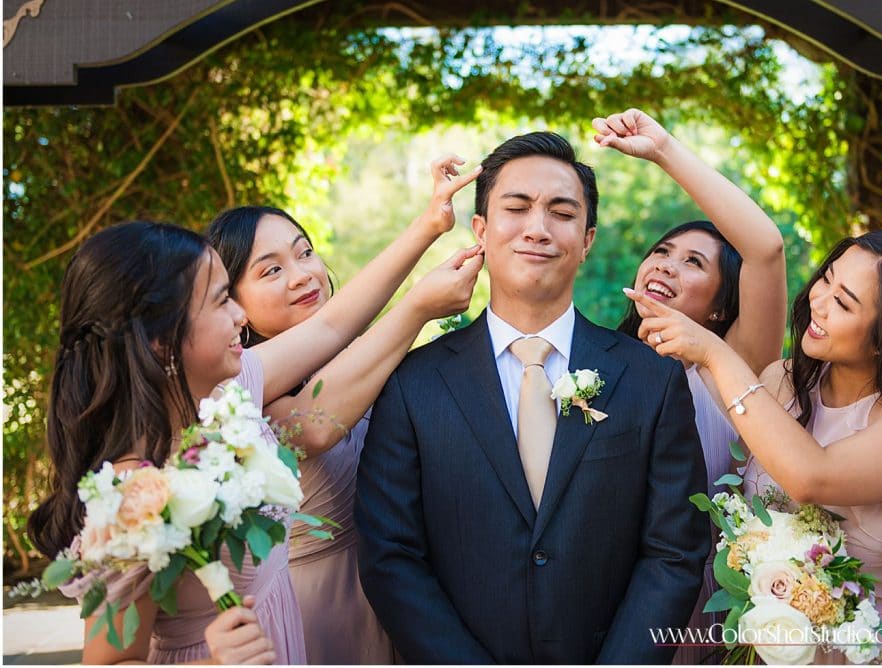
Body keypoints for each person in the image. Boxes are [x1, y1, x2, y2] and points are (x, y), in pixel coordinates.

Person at [27, 218, 453, 664]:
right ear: (161, 343)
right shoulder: (133, 497)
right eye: (220, 301)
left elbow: (332, 327)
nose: (240, 315)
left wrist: (430, 225)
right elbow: (107, 662)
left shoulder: (231, 395)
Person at [355, 131, 710, 663]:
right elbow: (391, 556)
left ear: (587, 240)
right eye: (516, 208)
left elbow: (674, 551)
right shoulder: (414, 382)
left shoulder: (650, 378)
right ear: (480, 229)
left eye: (562, 213)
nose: (538, 229)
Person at [626, 229, 882, 664]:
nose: (819, 301)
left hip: (876, 648)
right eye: (826, 279)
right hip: (771, 645)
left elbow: (812, 477)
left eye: (844, 302)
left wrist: (715, 353)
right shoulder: (784, 383)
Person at [206, 154, 483, 664]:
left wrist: (431, 222)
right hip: (322, 607)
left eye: (304, 253)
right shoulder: (233, 386)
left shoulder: (353, 352)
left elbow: (338, 326)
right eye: (271, 270)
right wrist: (418, 305)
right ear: (233, 303)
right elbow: (316, 426)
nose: (302, 275)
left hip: (412, 591)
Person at [594, 107, 786, 663]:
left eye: (694, 262)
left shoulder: (734, 364)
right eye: (662, 252)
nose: (668, 266)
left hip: (703, 603)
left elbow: (766, 249)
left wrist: (662, 151)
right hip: (603, 595)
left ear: (725, 301)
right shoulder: (595, 361)